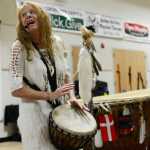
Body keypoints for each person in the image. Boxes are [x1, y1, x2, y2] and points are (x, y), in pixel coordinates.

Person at [9, 2, 83, 150]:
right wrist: (49, 95)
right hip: (34, 116)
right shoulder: (18, 47)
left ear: (42, 16)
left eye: (32, 12)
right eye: (23, 15)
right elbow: (16, 89)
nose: (27, 16)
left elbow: (67, 75)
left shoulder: (57, 42)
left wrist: (72, 97)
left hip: (60, 112)